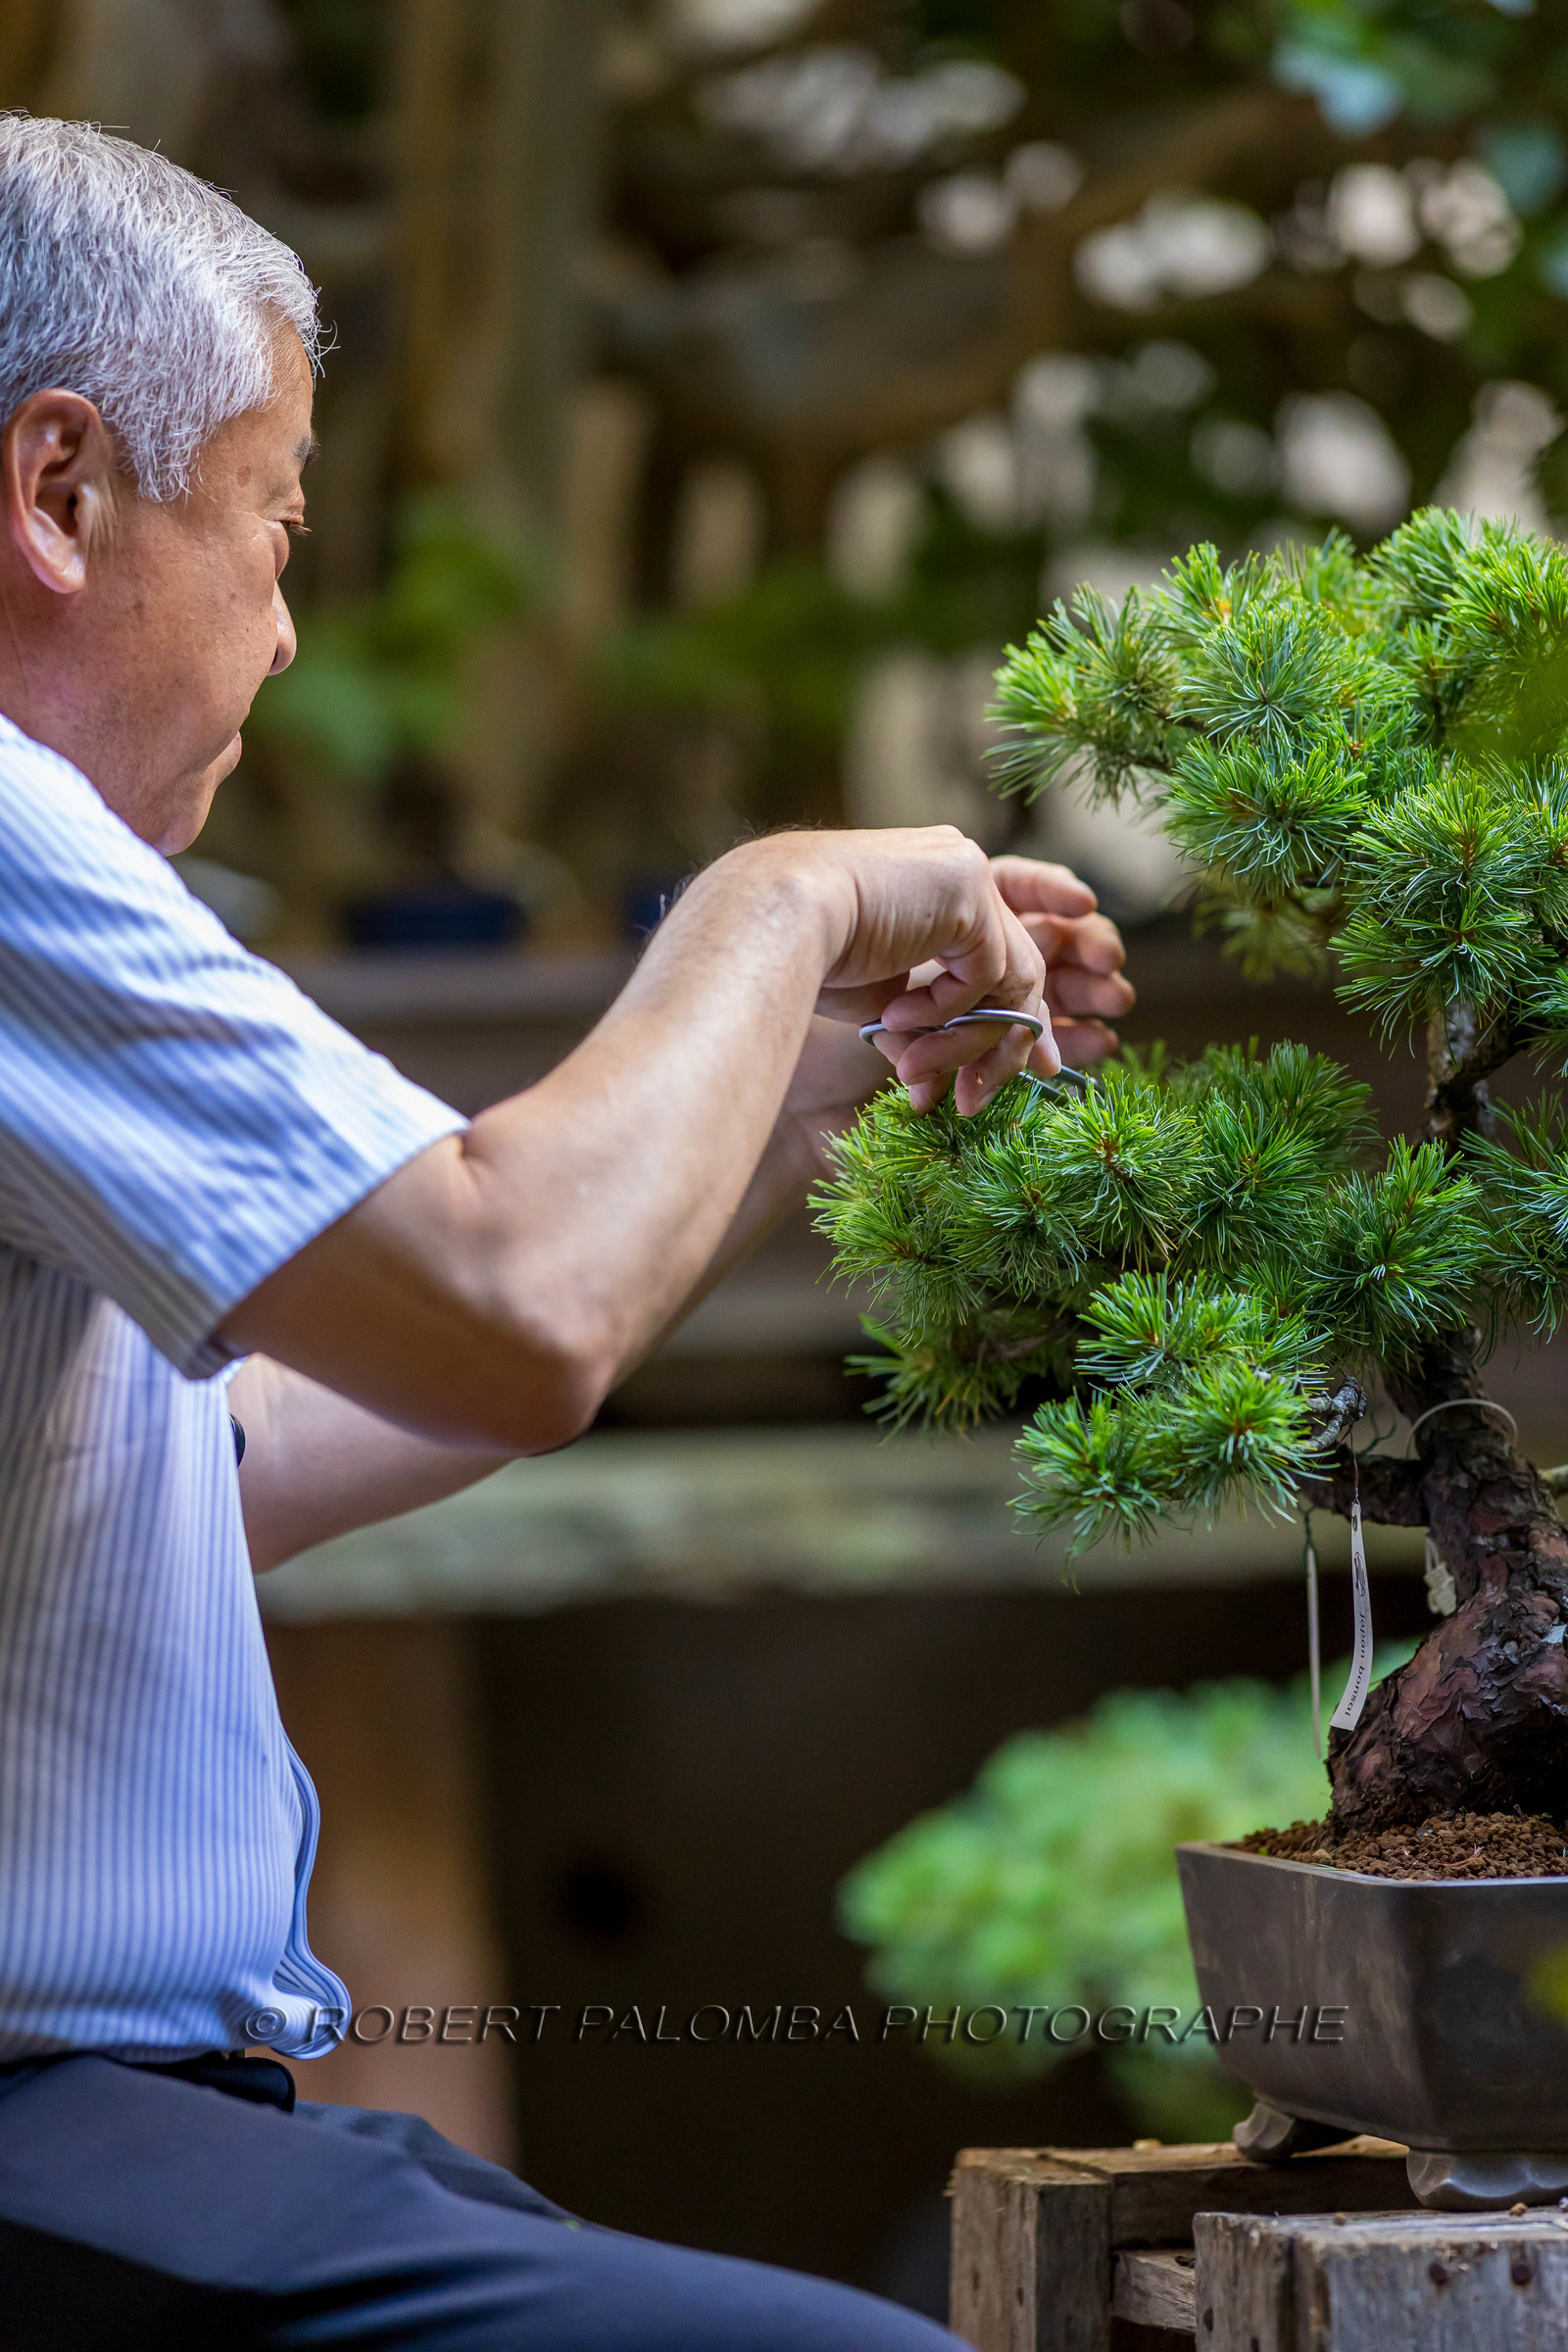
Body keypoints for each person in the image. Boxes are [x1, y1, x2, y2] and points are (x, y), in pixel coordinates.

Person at [0, 115, 1133, 2351]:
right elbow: (515, 1300)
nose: (288, 629)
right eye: (271, 524)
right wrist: (777, 898)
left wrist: (795, 1094)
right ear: (59, 490)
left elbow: (222, 1460)